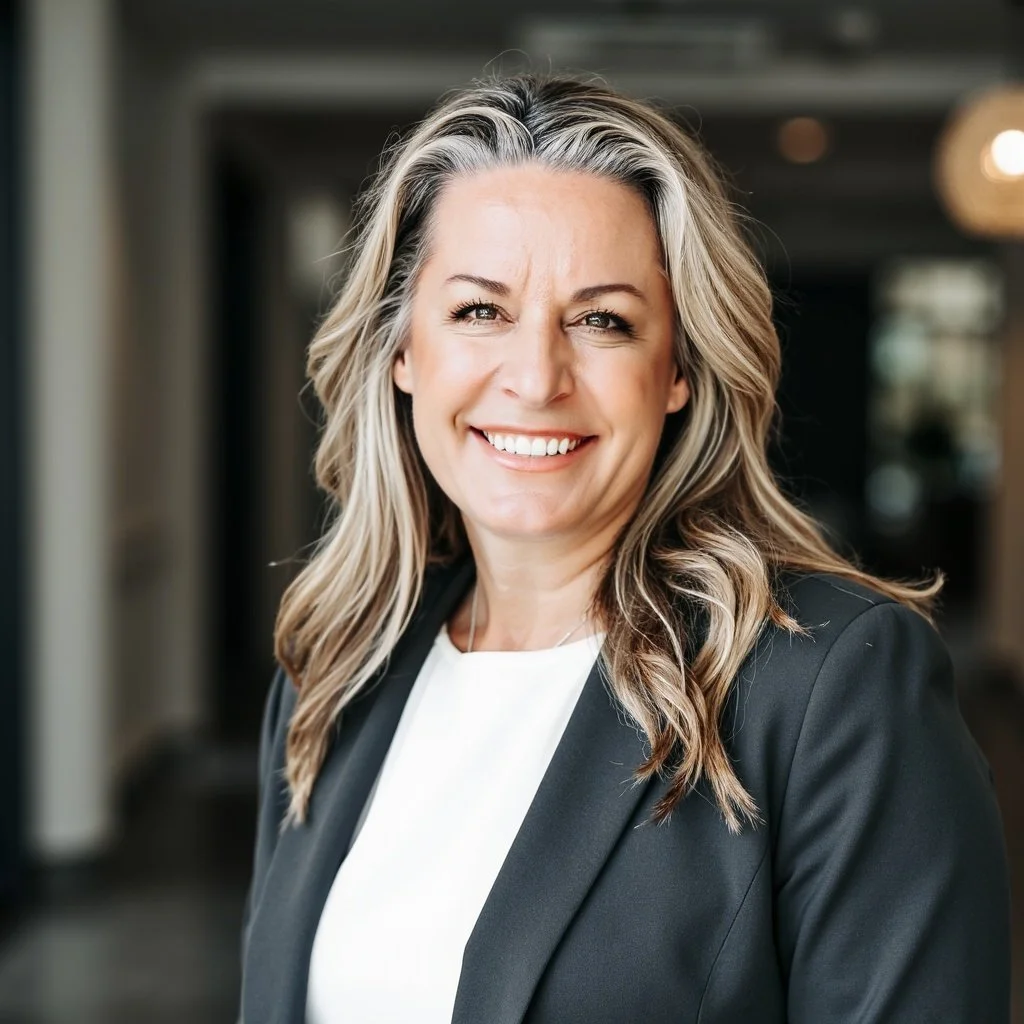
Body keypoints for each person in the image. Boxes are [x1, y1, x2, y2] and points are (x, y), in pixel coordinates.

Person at [238, 74, 1010, 1024]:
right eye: (479, 310)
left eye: (602, 320)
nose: (534, 376)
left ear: (678, 369)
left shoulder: (829, 688)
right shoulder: (336, 668)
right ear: (403, 351)